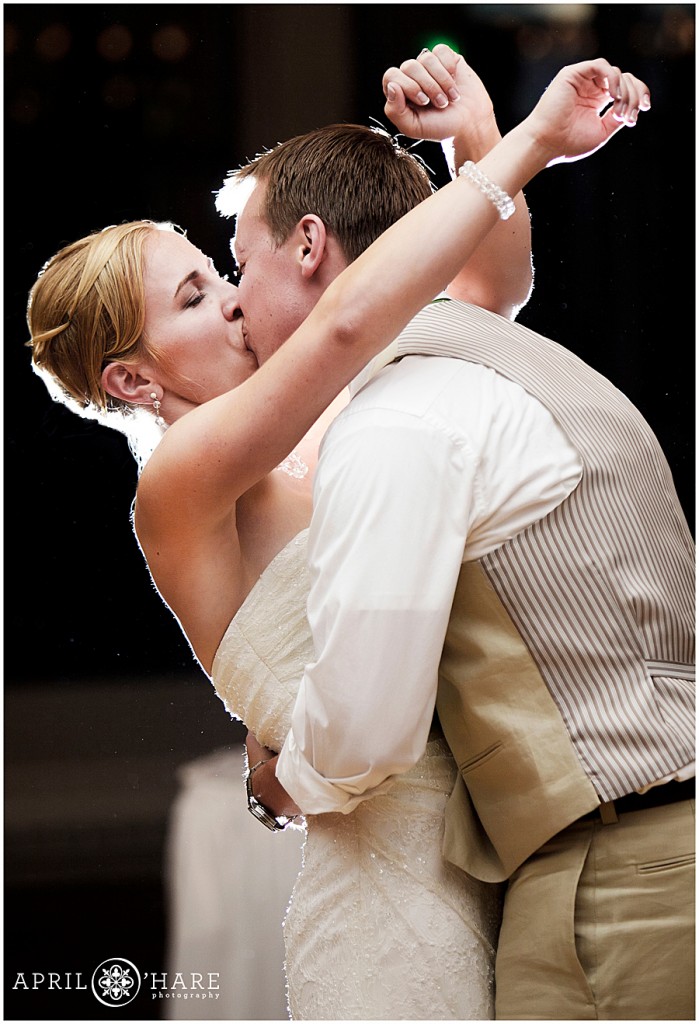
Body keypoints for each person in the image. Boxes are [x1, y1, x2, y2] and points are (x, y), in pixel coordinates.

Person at [26, 53, 662, 1020]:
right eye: (199, 296)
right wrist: (531, 145)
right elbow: (344, 326)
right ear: (130, 380)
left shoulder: (333, 424)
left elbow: (486, 289)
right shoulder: (180, 479)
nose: (237, 299)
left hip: (500, 854)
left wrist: (470, 135)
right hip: (388, 885)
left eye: (221, 270)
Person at [220, 49, 694, 1022]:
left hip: (615, 879)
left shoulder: (396, 416)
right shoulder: (512, 356)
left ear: (309, 246)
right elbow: (497, 279)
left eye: (238, 264)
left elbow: (365, 726)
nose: (233, 301)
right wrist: (479, 132)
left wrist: (279, 776)